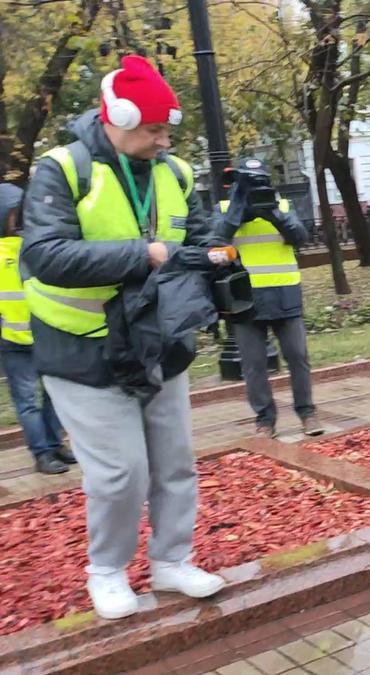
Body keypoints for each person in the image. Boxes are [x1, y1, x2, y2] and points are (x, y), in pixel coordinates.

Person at [22, 55, 227, 619]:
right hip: (83, 347)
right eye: (152, 129)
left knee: (175, 462)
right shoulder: (62, 169)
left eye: (167, 129)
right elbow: (43, 255)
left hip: (159, 342)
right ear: (116, 118)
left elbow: (200, 231)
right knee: (121, 472)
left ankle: (172, 561)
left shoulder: (176, 172)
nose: (163, 140)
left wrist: (213, 252)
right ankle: (107, 571)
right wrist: (144, 255)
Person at [217, 158, 322, 438]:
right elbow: (215, 241)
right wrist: (238, 212)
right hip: (243, 300)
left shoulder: (283, 206)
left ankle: (307, 413)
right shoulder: (226, 209)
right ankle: (265, 420)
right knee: (253, 364)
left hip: (284, 292)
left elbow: (300, 237)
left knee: (298, 356)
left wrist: (273, 213)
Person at [0, 184, 71, 474]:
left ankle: (51, 448)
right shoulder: (37, 246)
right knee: (38, 398)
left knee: (42, 398)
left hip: (31, 335)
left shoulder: (36, 245)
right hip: (27, 338)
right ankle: (45, 452)